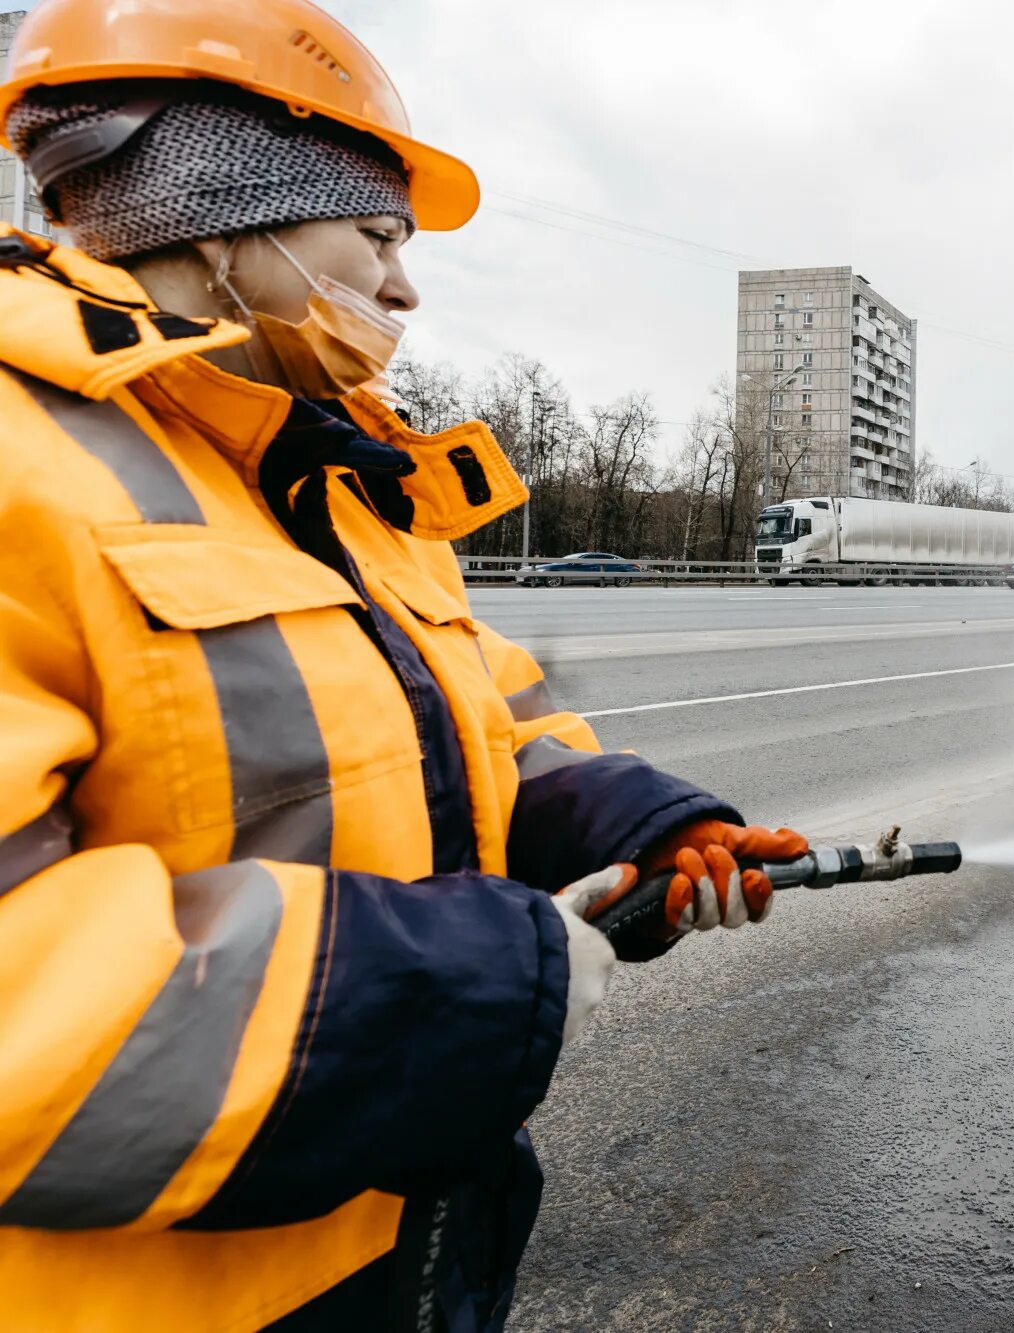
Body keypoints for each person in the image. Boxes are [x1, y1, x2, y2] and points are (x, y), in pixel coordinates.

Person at [0, 2, 805, 1329]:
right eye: (375, 235)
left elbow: (478, 716)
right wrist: (476, 981)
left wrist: (645, 824)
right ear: (217, 219)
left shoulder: (333, 476)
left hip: (392, 1251)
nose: (407, 285)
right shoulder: (30, 462)